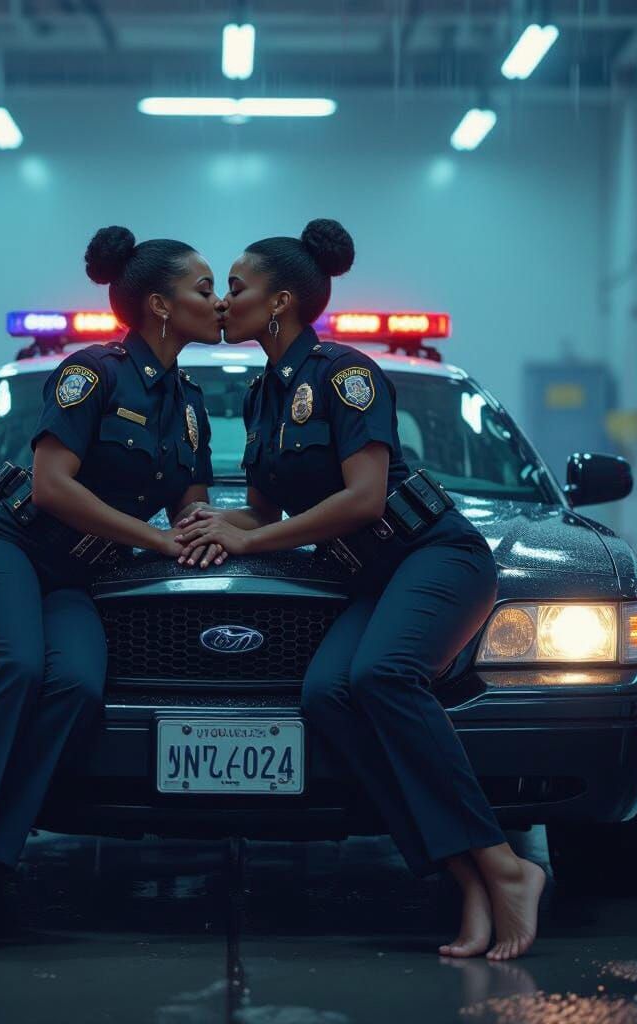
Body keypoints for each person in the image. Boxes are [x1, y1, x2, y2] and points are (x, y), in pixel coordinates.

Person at [175, 219, 546, 961]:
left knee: (382, 675)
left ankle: (505, 864)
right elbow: (265, 512)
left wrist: (246, 539)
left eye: (237, 289)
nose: (223, 303)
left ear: (280, 303)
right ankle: (464, 878)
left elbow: (363, 499)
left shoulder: (348, 376)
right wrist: (208, 525)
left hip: (433, 556)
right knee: (328, 696)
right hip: (368, 578)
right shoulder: (263, 398)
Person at [0, 226, 226, 957]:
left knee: (73, 685)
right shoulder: (90, 373)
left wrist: (249, 530)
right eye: (206, 288)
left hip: (73, 577)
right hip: (4, 550)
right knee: (15, 667)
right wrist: (160, 540)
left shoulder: (191, 406)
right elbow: (51, 485)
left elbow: (190, 513)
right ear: (162, 306)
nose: (220, 300)